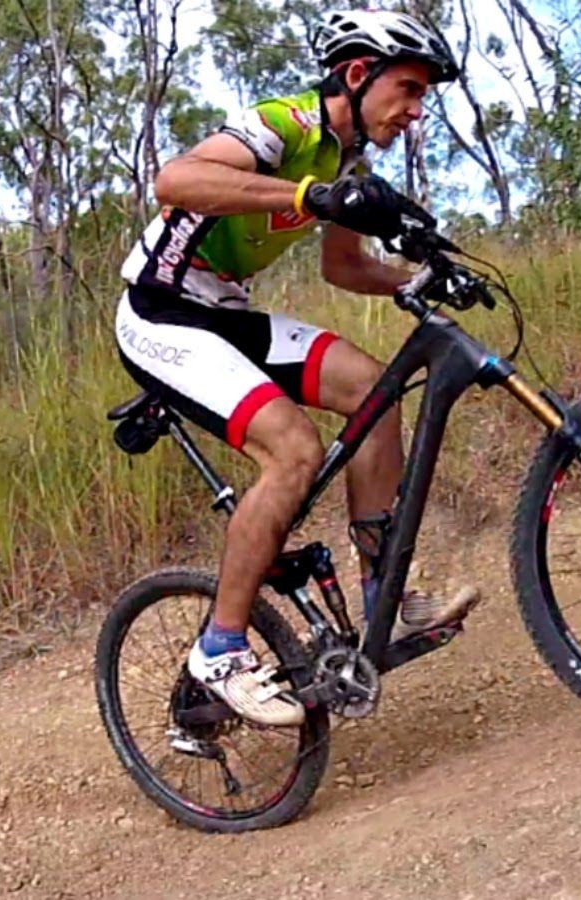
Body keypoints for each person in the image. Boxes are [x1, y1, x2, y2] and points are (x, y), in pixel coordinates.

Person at [113, 10, 480, 728]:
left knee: (377, 394)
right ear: (356, 75)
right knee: (294, 450)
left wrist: (418, 277)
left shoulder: (347, 162)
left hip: (225, 312)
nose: (415, 111)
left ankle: (383, 599)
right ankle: (219, 649)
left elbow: (343, 267)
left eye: (422, 98)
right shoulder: (285, 126)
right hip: (159, 312)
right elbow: (176, 179)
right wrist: (305, 194)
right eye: (407, 90)